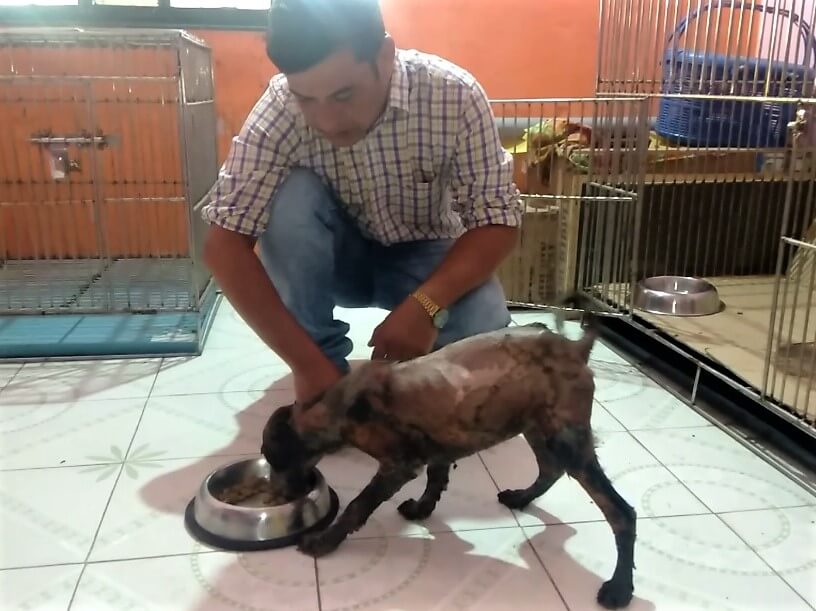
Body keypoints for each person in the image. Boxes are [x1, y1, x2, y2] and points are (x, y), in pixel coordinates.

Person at [201, 0, 522, 403]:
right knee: (289, 198)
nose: (327, 121)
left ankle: (421, 367)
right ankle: (323, 364)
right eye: (306, 99)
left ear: (385, 56)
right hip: (337, 262)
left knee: (484, 326)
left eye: (344, 94)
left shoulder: (453, 94)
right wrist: (308, 364)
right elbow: (223, 245)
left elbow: (499, 221)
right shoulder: (279, 110)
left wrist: (425, 306)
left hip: (425, 260)